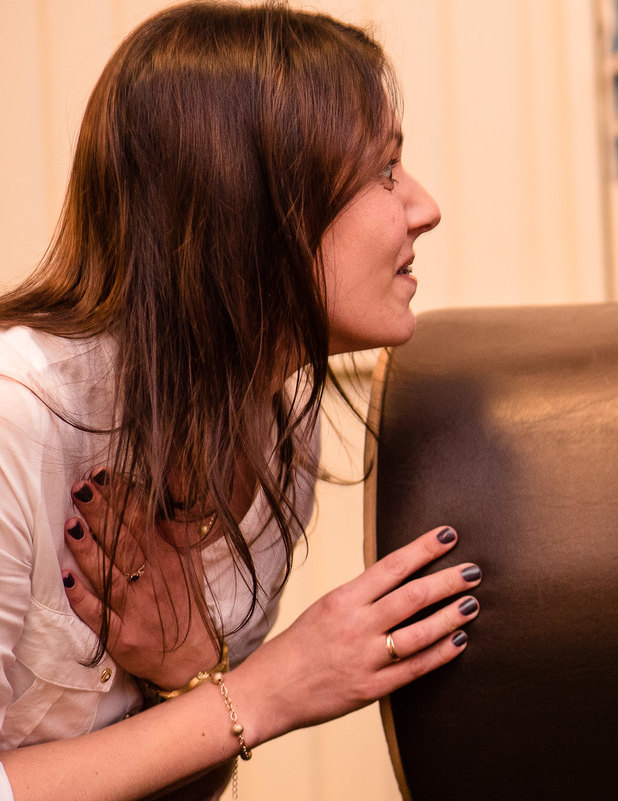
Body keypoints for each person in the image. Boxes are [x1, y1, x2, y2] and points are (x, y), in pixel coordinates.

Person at [0, 3, 482, 799]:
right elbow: (242, 713)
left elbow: (193, 765)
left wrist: (188, 675)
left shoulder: (278, 433)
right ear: (255, 207)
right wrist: (267, 688)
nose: (423, 207)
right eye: (384, 171)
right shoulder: (16, 414)